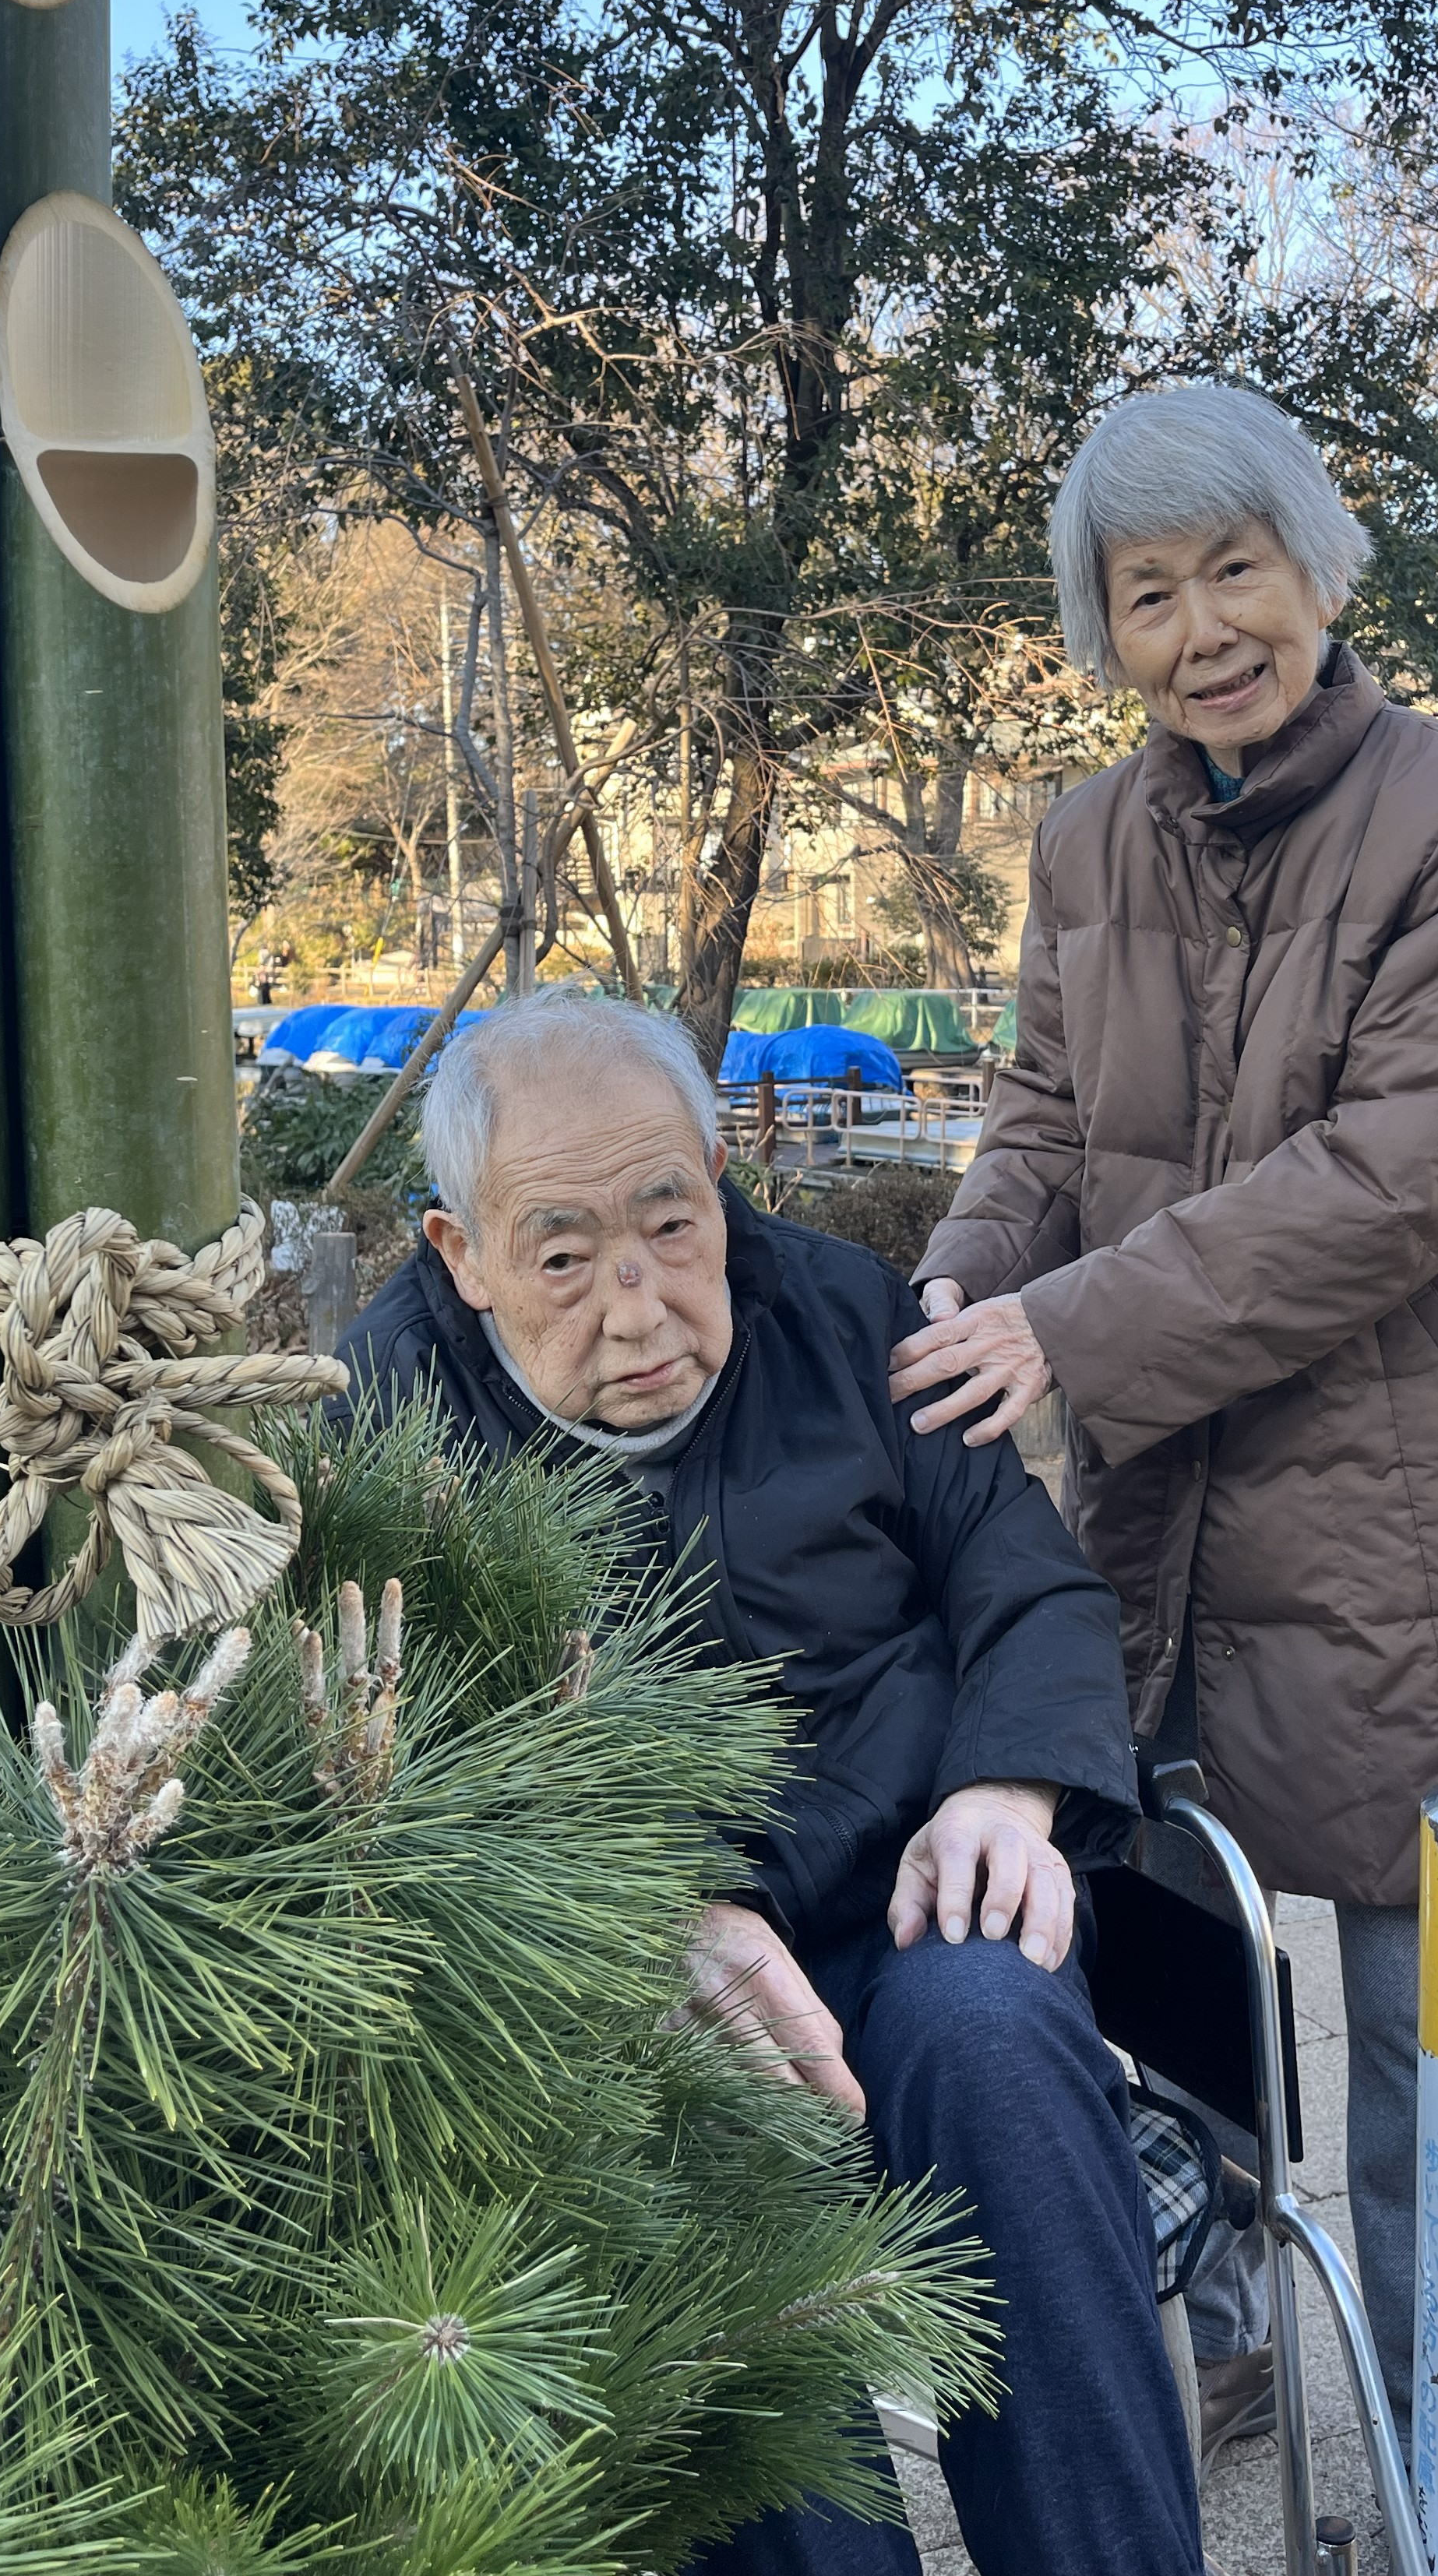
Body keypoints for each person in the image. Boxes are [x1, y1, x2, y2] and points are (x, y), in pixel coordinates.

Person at [892, 378, 1438, 2459]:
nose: (1205, 626)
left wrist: (1069, 1331)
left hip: (1419, 1542)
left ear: (1318, 567)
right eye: (1148, 592)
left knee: (1424, 2056)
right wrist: (964, 1269)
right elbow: (1043, 1117)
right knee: (1183, 2017)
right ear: (1100, 628)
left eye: (1239, 569)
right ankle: (1206, 2362)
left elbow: (1405, 1171)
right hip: (1158, 1538)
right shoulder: (1083, 838)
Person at [337, 986, 1205, 2576]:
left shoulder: (851, 1318)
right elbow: (383, 1773)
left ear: (722, 1174)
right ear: (459, 1256)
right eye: (564, 1256)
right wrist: (633, 1916)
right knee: (684, 2148)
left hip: (903, 1900)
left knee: (999, 2034)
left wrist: (1006, 1789)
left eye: (674, 1224)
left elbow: (1033, 1588)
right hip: (618, 1981)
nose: (642, 1302)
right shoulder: (383, 1419)